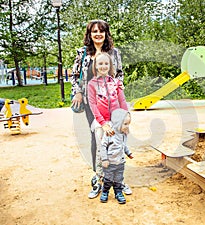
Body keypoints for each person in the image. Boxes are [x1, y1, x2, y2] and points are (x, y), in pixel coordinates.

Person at [70, 20, 131, 199]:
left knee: (117, 136)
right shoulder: (82, 53)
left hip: (113, 102)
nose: (98, 34)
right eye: (94, 31)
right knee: (97, 137)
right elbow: (75, 76)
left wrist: (121, 98)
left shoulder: (114, 53)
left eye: (101, 31)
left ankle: (118, 179)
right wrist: (78, 92)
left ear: (106, 33)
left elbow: (119, 75)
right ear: (89, 34)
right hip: (92, 103)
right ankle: (100, 178)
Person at [99, 108, 133, 204]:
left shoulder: (123, 134)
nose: (127, 126)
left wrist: (128, 153)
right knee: (108, 179)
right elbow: (103, 147)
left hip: (120, 162)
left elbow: (123, 145)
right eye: (125, 124)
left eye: (128, 124)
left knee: (119, 179)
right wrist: (104, 159)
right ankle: (105, 191)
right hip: (110, 162)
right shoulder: (110, 134)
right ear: (118, 122)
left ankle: (118, 193)